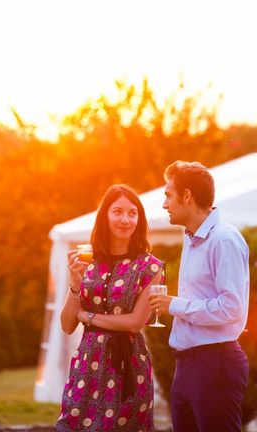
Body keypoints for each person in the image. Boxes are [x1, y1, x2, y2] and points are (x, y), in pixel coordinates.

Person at [149, 160, 250, 432]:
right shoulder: (191, 237)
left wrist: (175, 305)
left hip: (215, 363)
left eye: (168, 195)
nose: (164, 204)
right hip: (187, 363)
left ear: (187, 196)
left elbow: (231, 308)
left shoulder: (223, 240)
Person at [55, 184, 164, 432]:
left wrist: (89, 316)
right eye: (118, 211)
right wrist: (74, 283)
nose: (125, 219)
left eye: (132, 213)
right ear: (104, 215)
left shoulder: (150, 267)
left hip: (127, 365)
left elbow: (135, 322)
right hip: (88, 363)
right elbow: (67, 324)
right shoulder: (87, 262)